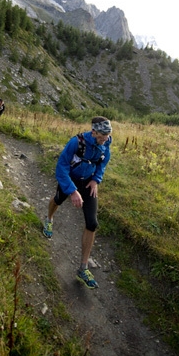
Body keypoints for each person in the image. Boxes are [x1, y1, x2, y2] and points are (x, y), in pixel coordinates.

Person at [43, 116, 112, 289]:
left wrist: (96, 179)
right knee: (58, 199)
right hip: (70, 179)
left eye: (108, 135)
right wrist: (72, 191)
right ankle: (49, 219)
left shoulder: (106, 143)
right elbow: (61, 167)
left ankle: (83, 268)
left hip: (88, 182)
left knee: (92, 223)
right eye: (102, 135)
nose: (105, 139)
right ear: (93, 131)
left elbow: (102, 164)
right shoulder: (76, 142)